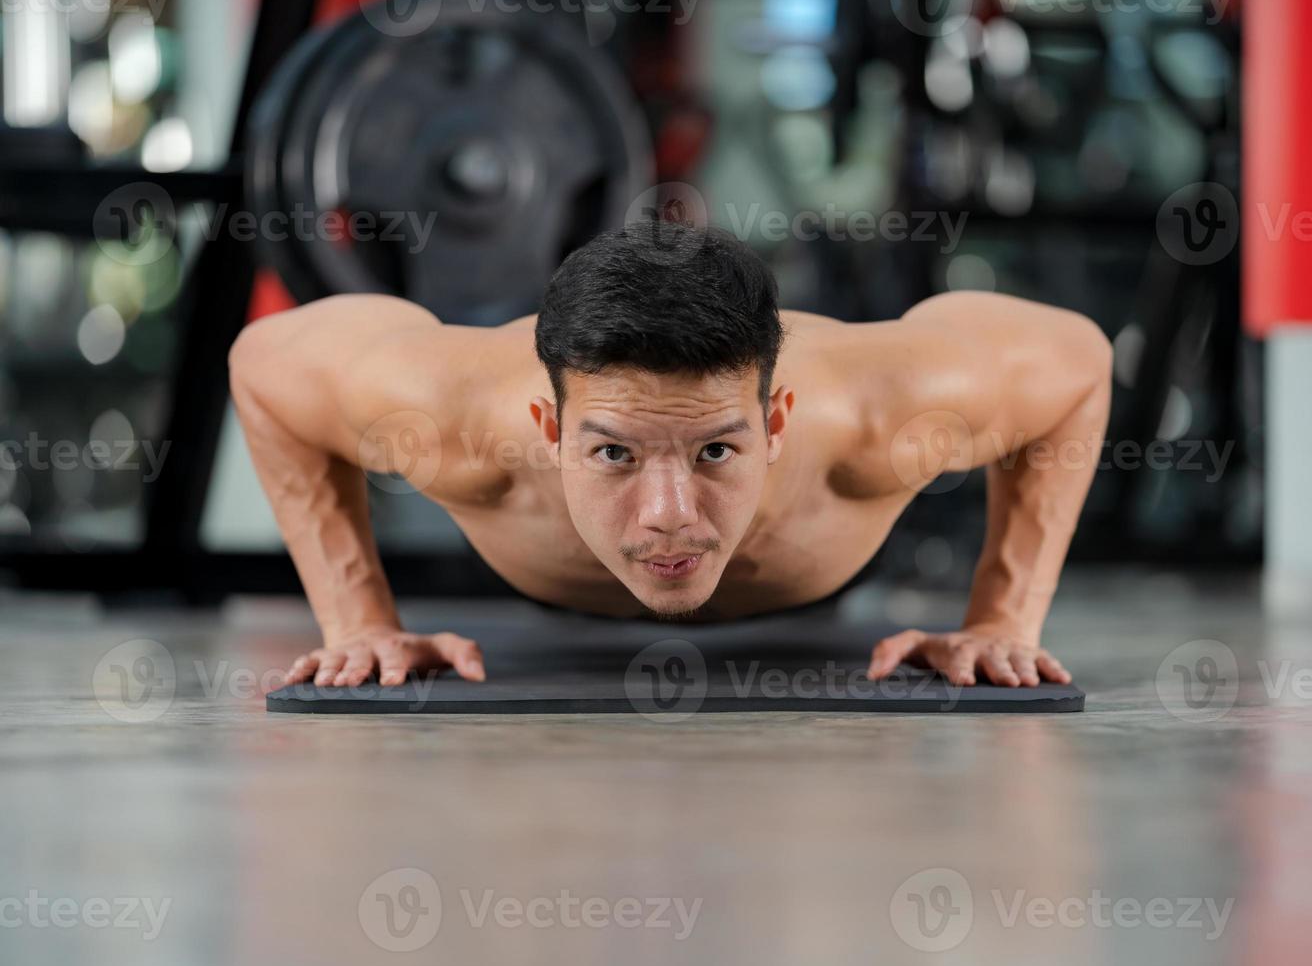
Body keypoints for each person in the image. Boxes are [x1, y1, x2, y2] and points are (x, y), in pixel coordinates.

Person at [229, 222, 1111, 690]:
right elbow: (262, 367)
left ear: (777, 422)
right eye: (612, 452)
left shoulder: (888, 420)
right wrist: (357, 620)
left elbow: (1077, 362)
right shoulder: (447, 419)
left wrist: (1003, 620)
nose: (669, 516)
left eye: (717, 450)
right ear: (547, 428)